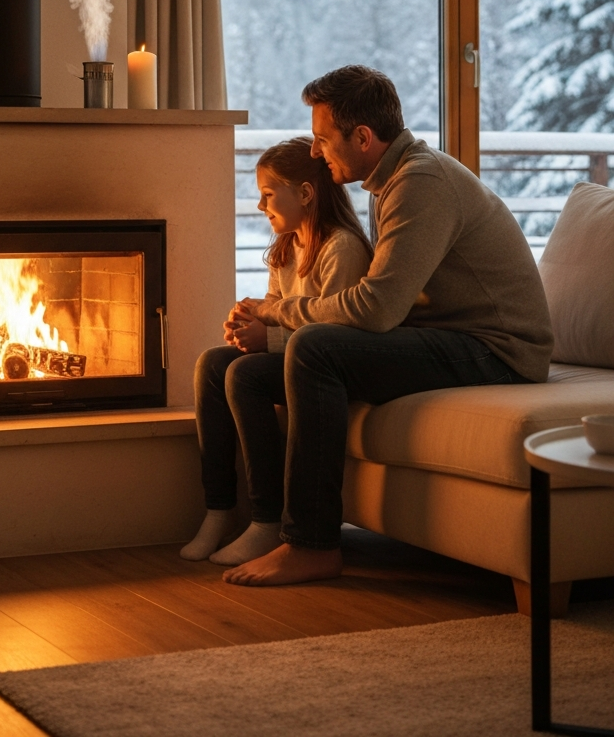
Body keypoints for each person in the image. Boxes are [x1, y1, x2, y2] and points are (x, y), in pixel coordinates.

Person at [222, 65, 554, 587]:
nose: (314, 152)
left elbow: (377, 309)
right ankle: (265, 520)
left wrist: (276, 312)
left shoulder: (420, 182)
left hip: (496, 350)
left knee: (313, 349)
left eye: (322, 139)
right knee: (248, 373)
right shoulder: (388, 181)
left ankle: (311, 544)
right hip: (447, 335)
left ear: (363, 138)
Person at [181, 136, 373, 565]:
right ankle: (219, 509)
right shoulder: (286, 246)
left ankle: (267, 521)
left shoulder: (341, 248)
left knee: (243, 375)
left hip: (325, 371)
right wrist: (248, 321)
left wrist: (265, 339)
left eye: (268, 194)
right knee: (213, 363)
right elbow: (279, 311)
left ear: (305, 193)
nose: (260, 205)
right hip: (292, 355)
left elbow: (332, 337)